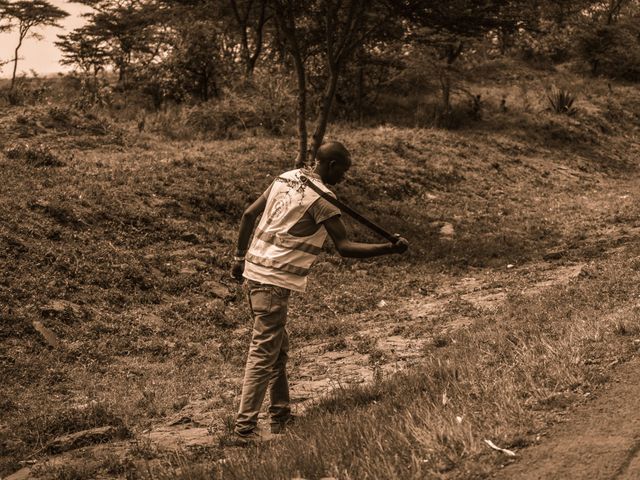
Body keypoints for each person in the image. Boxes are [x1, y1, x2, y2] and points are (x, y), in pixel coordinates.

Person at [230, 141, 409, 442]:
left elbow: (249, 214)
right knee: (263, 353)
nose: (344, 178)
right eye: (344, 172)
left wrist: (238, 257)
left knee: (277, 351)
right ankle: (244, 428)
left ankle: (281, 416)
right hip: (272, 283)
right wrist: (389, 250)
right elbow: (345, 248)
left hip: (254, 275)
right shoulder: (324, 200)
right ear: (332, 166)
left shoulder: (285, 177)